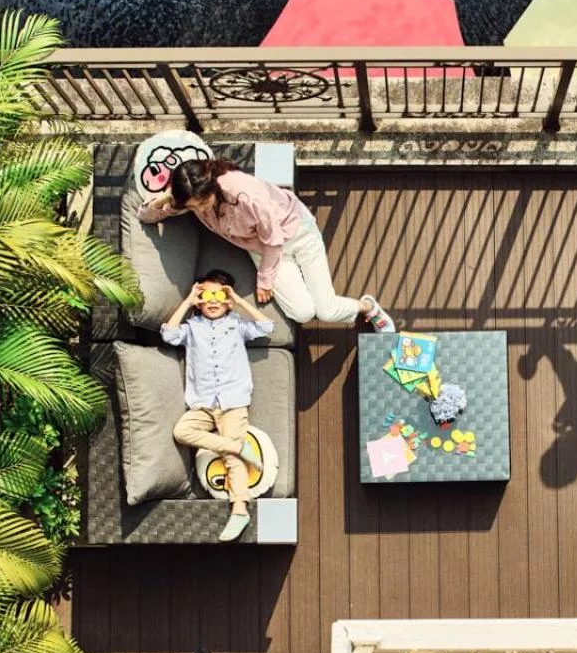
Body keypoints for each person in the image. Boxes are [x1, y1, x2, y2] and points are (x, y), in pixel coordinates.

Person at [138, 157, 396, 331]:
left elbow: (274, 239)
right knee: (304, 313)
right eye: (192, 207)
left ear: (212, 188)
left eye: (202, 203)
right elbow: (145, 217)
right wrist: (163, 201)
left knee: (326, 311)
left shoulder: (245, 195)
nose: (200, 210)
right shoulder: (192, 199)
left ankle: (367, 306)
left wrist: (265, 280)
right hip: (263, 249)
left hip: (297, 235)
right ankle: (355, 305)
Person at [162, 269, 272, 541]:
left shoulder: (237, 324)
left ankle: (239, 509)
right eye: (206, 295)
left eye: (219, 295)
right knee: (182, 432)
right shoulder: (192, 327)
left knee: (230, 461)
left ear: (228, 299)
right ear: (200, 299)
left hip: (233, 402)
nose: (212, 301)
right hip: (202, 404)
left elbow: (266, 327)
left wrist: (238, 301)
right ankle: (236, 445)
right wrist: (188, 302)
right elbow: (168, 335)